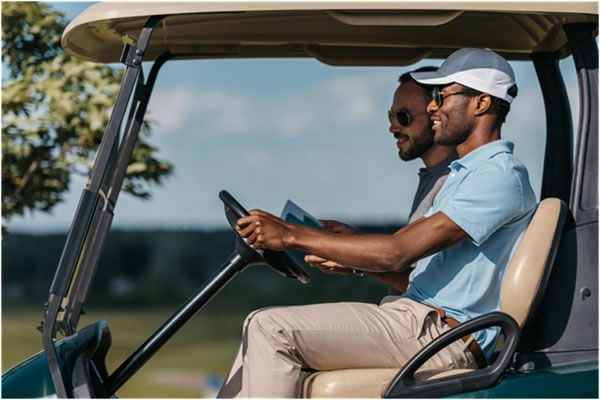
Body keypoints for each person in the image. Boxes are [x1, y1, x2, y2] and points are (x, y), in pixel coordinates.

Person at [218, 48, 536, 398]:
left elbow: (397, 253)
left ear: (481, 104)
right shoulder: (468, 174)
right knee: (258, 335)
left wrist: (292, 235)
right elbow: (411, 267)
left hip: (441, 335)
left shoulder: (498, 176)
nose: (433, 107)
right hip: (418, 322)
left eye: (442, 95)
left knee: (269, 327)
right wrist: (348, 257)